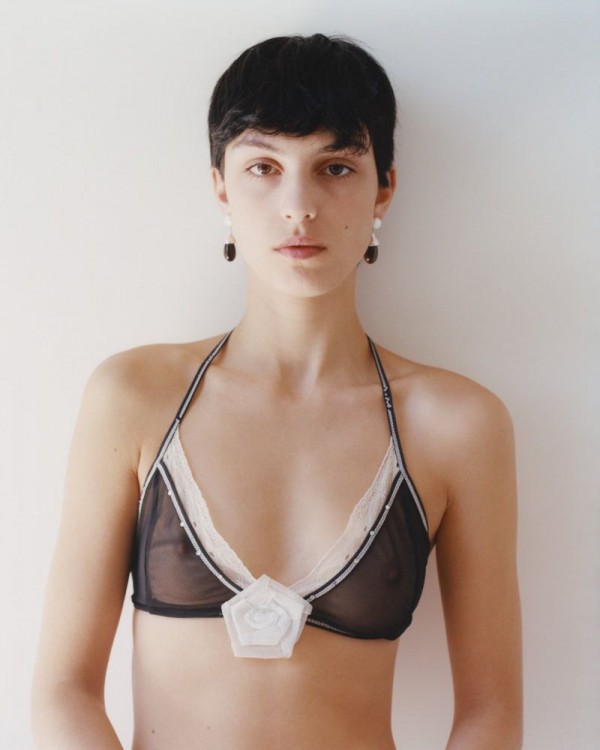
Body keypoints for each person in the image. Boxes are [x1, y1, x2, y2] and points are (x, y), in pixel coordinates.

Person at [31, 33, 522, 749]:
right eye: (264, 167)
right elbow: (62, 691)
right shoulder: (135, 398)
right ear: (221, 187)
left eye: (335, 167)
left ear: (384, 187)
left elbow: (491, 713)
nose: (299, 206)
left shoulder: (456, 425)